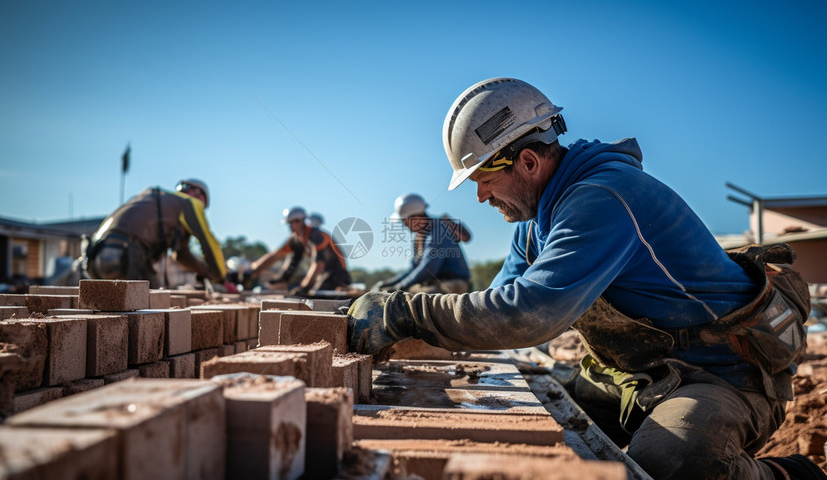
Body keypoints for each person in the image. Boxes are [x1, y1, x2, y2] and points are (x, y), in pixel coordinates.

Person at [348, 78, 823, 479]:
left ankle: (786, 475)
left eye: (483, 180)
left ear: (528, 162)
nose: (479, 197)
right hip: (637, 374)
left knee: (670, 462)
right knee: (553, 418)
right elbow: (498, 305)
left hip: (721, 378)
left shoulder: (603, 199)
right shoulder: (536, 224)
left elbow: (528, 315)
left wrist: (407, 312)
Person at [87, 178, 232, 291]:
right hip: (126, 256)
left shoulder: (156, 199)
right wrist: (220, 277)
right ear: (199, 196)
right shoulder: (190, 204)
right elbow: (208, 243)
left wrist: (206, 273)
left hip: (94, 257)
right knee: (146, 311)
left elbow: (182, 255)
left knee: (150, 300)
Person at [373, 193, 471, 294]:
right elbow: (413, 269)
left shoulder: (438, 231)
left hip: (452, 284)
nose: (404, 225)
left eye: (404, 221)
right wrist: (386, 284)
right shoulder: (420, 237)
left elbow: (428, 269)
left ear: (415, 218)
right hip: (437, 283)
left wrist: (397, 287)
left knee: (409, 298)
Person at [247, 206, 350, 294]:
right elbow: (275, 255)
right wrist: (253, 271)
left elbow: (319, 264)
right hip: (322, 275)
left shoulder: (316, 236)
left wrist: (304, 287)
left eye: (293, 222)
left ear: (301, 221)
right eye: (289, 223)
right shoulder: (296, 239)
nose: (291, 226)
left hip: (337, 275)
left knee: (316, 296)